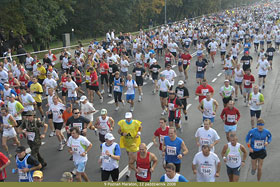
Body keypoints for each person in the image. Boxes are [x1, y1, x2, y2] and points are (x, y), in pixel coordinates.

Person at [118, 112, 142, 177]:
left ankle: (129, 170)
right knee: (129, 156)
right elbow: (119, 131)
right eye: (127, 118)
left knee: (130, 156)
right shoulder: (122, 123)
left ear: (131, 117)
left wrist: (138, 134)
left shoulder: (135, 122)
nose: (128, 119)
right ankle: (134, 164)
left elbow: (140, 128)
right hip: (126, 142)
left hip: (134, 142)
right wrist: (122, 134)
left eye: (129, 118)